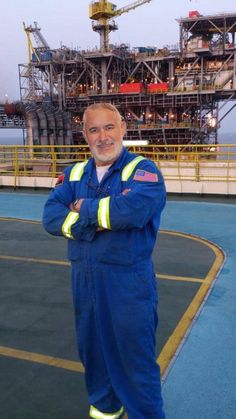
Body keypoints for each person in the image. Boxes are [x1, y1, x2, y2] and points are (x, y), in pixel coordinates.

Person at [43, 103, 166, 419]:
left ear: (123, 129)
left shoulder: (143, 171)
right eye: (94, 129)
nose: (103, 137)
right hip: (84, 283)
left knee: (135, 364)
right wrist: (96, 220)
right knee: (94, 359)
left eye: (109, 127)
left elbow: (133, 211)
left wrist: (81, 208)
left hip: (127, 285)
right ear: (84, 134)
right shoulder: (72, 174)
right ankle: (105, 411)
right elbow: (50, 217)